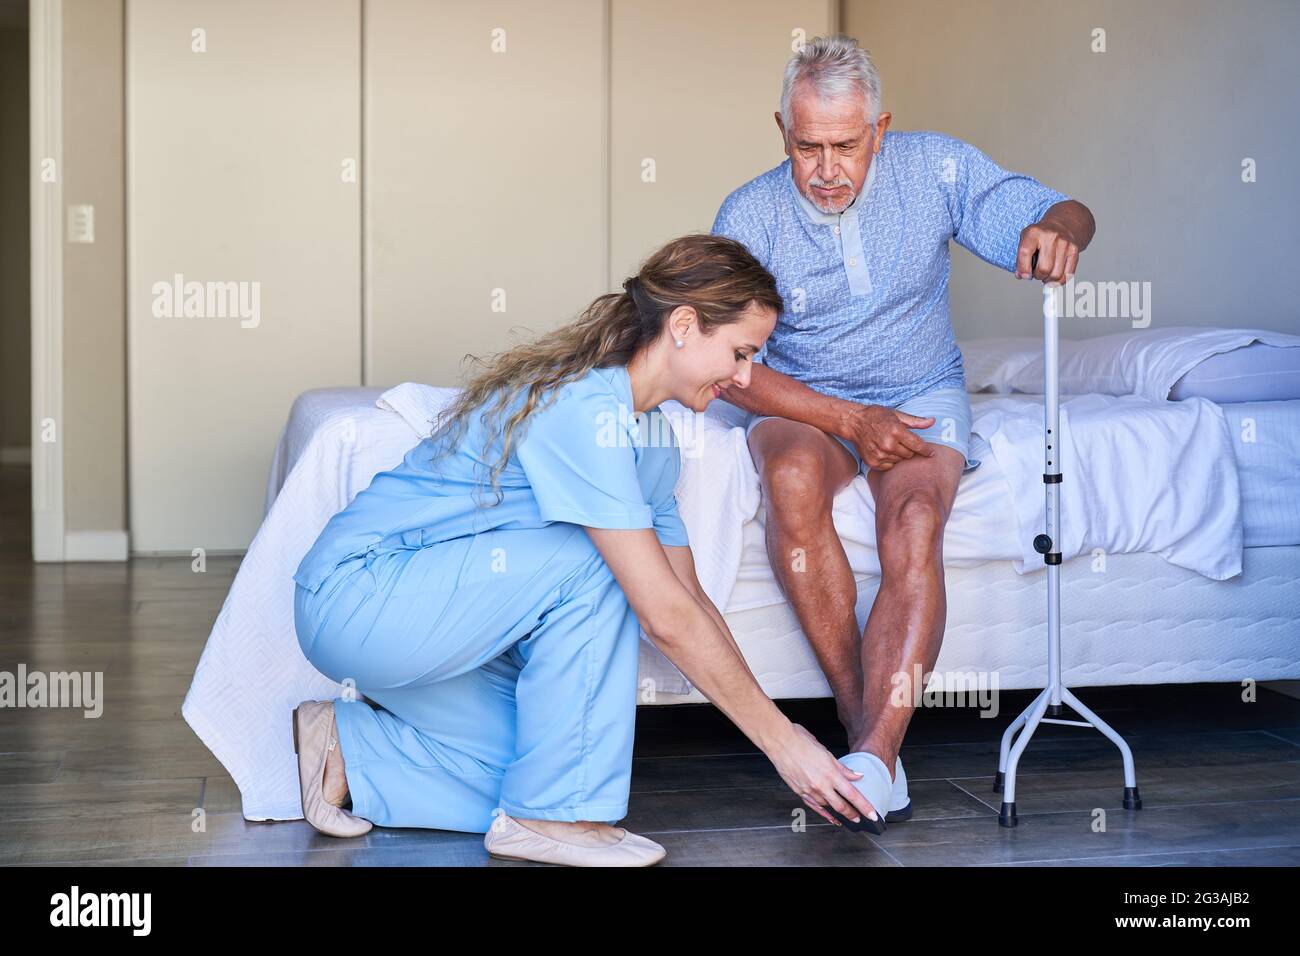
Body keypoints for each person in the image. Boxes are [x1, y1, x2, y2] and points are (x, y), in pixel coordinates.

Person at [289, 233, 882, 867]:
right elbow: (660, 611)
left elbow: (689, 602)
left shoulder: (652, 439)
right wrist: (782, 744)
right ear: (684, 325)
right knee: (607, 564)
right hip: (358, 600)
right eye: (739, 353)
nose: (744, 377)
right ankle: (552, 819)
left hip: (437, 634)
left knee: (540, 765)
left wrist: (779, 728)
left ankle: (348, 747)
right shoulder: (583, 409)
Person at [710, 35, 1095, 826]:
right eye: (806, 145)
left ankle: (875, 761)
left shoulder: (937, 168)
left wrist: (1061, 228)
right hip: (805, 402)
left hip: (920, 390)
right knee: (789, 481)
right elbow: (731, 366)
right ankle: (869, 739)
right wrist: (847, 418)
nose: (825, 169)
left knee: (915, 520)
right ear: (780, 129)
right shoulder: (747, 214)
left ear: (880, 129)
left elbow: (1064, 209)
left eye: (846, 146)